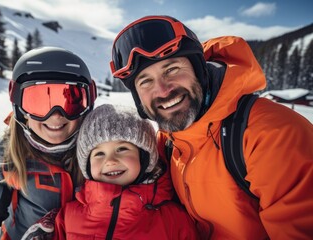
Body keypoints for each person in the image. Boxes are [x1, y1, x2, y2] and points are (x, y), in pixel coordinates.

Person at [109, 15, 313, 239]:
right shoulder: (166, 142)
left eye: (172, 69)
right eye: (145, 81)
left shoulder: (270, 133)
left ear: (199, 70)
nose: (163, 90)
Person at [0, 46, 97, 239]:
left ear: (87, 103)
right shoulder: (8, 153)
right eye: (39, 102)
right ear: (19, 105)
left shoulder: (100, 150)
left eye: (70, 101)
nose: (56, 115)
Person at [51, 104, 199, 239]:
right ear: (87, 165)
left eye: (122, 149)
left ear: (144, 157)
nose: (110, 161)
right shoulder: (68, 217)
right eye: (99, 154)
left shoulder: (172, 220)